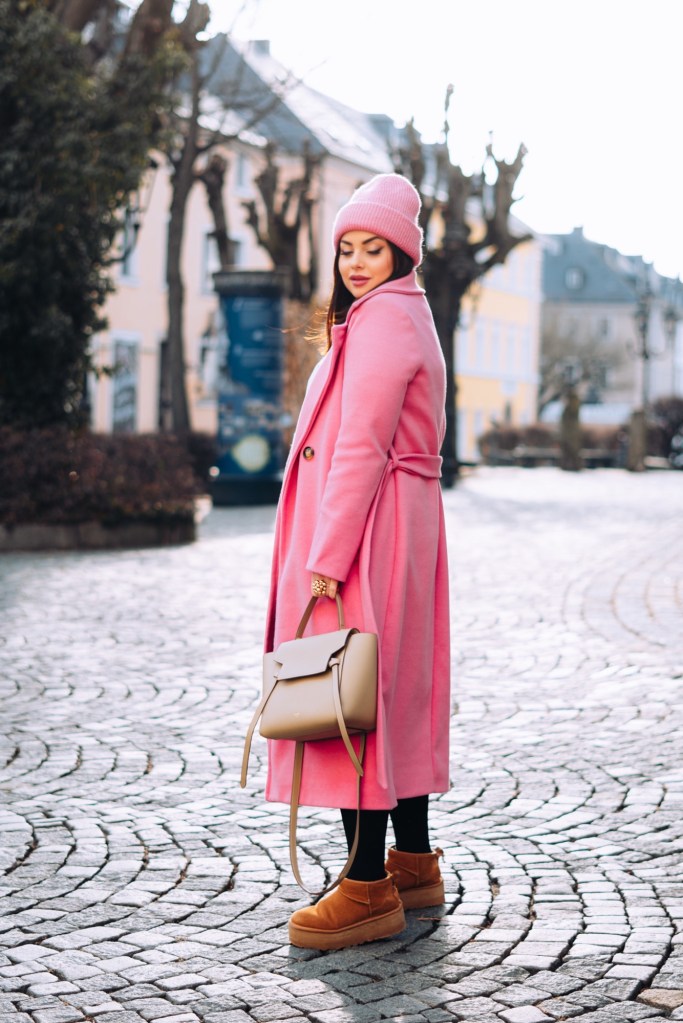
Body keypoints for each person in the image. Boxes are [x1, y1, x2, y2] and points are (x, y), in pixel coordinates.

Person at [263, 173, 451, 950]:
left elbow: (361, 447)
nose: (356, 262)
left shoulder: (381, 321)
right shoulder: (402, 315)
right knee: (392, 688)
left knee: (353, 698)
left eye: (374, 248)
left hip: (370, 530)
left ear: (401, 254)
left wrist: (326, 558)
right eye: (347, 247)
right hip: (399, 524)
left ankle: (366, 885)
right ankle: (412, 862)